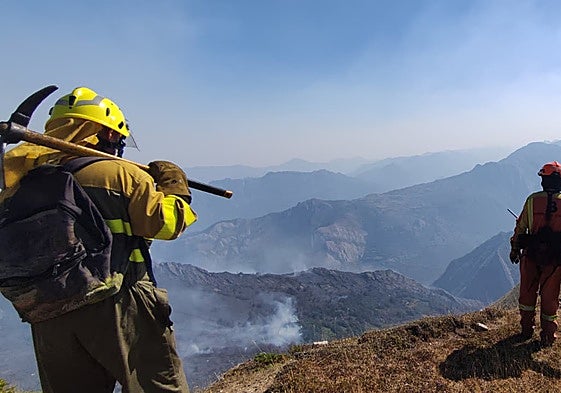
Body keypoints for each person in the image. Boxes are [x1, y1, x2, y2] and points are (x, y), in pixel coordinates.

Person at [4, 87, 197, 392]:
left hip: (48, 311)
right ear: (106, 134)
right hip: (119, 302)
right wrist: (175, 185)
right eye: (118, 139)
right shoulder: (119, 174)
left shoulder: (21, 180)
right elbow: (166, 224)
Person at [510, 161, 561, 347]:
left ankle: (526, 331)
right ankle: (548, 337)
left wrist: (515, 249)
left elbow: (520, 227)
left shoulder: (532, 200)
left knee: (527, 294)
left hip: (530, 255)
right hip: (555, 261)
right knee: (550, 298)